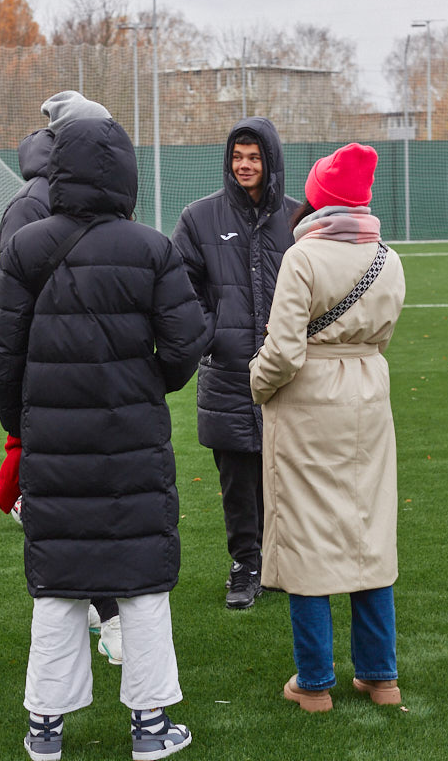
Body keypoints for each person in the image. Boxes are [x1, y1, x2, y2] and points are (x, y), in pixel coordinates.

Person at [0, 116, 205, 760]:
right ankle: (149, 726)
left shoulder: (25, 246)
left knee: (57, 583)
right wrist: (147, 383)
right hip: (132, 436)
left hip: (53, 441)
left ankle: (44, 730)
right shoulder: (151, 247)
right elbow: (188, 341)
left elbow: (3, 357)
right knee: (141, 579)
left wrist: (23, 425)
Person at [248, 143, 406, 712]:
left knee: (309, 536)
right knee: (369, 529)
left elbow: (283, 352)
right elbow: (382, 337)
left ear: (319, 198)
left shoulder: (304, 257)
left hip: (310, 400)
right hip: (369, 393)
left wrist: (255, 383)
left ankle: (314, 683)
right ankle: (379, 675)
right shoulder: (389, 258)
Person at [0, 91, 125, 665]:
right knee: (63, 509)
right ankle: (106, 613)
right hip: (54, 388)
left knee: (98, 502)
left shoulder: (97, 194)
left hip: (94, 383)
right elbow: (13, 318)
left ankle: (101, 604)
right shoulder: (29, 207)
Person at [172, 117, 298, 609]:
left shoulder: (296, 218)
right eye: (237, 157)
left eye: (254, 157)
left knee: (285, 475)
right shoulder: (199, 218)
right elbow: (182, 289)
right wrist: (211, 334)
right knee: (238, 481)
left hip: (287, 375)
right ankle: (244, 567)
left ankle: (280, 564)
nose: (245, 166)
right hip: (227, 374)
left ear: (270, 162)